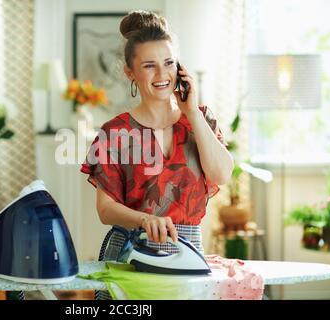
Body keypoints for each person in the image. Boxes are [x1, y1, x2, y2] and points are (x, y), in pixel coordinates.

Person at [80, 10, 234, 299]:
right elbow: (105, 209)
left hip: (188, 254)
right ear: (130, 73)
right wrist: (144, 220)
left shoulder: (199, 119)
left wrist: (191, 112)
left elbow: (221, 174)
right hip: (130, 254)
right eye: (149, 66)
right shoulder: (114, 132)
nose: (163, 75)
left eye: (169, 63)